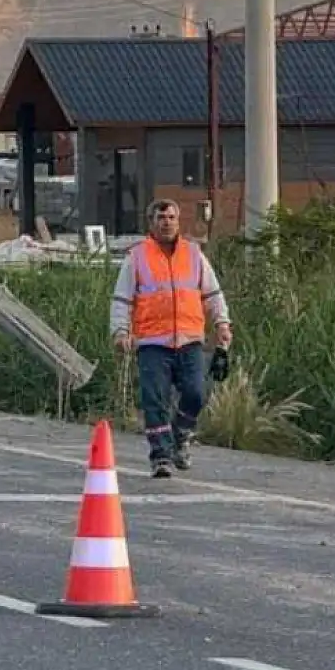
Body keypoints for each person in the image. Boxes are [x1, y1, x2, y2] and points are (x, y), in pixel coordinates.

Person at [108, 199, 232, 478]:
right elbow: (122, 299)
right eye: (161, 217)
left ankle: (181, 433)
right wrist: (120, 331)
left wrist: (222, 322)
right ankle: (161, 456)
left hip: (189, 340)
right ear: (151, 223)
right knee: (155, 399)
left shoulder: (193, 255)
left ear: (179, 221)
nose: (167, 222)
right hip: (152, 342)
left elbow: (212, 293)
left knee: (196, 393)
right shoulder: (137, 257)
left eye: (171, 217)